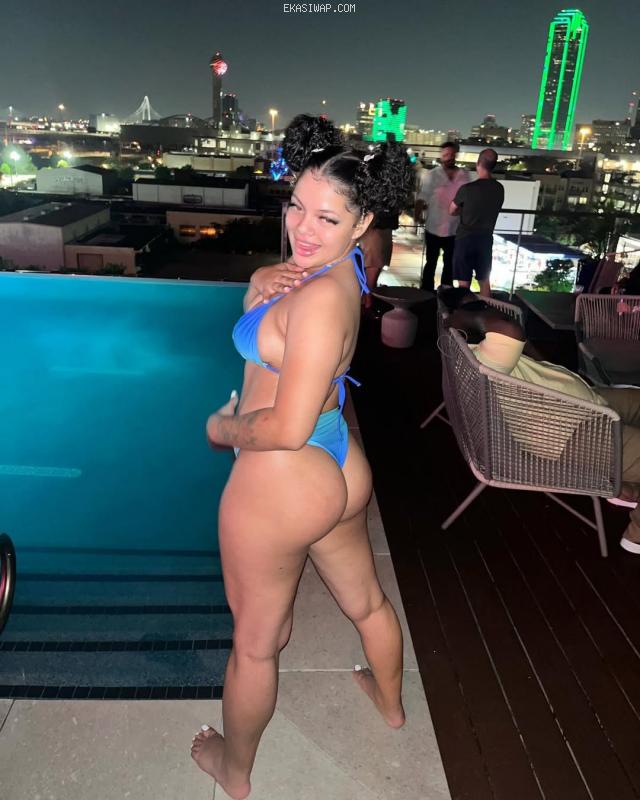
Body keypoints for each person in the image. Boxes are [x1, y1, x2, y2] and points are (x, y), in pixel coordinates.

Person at [191, 114, 413, 800]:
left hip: (286, 477)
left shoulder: (317, 299)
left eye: (327, 217)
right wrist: (265, 275)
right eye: (296, 206)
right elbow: (298, 323)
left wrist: (223, 429)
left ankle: (234, 771)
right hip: (339, 462)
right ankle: (391, 705)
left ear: (363, 220)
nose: (303, 228)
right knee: (366, 601)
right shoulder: (346, 269)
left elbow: (286, 429)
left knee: (257, 642)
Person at [440, 287, 640, 554]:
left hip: (581, 404)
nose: (488, 309)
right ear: (460, 318)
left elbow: (537, 356)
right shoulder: (485, 358)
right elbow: (509, 329)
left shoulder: (490, 349)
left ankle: (628, 487)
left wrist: (473, 315)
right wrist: (466, 316)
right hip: (571, 431)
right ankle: (635, 537)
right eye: (476, 308)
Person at [414, 141, 470, 291]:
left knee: (450, 264)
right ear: (441, 156)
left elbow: (469, 198)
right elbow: (422, 197)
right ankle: (427, 293)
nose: (449, 157)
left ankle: (446, 293)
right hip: (434, 227)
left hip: (455, 228)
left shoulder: (464, 175)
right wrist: (417, 216)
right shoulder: (433, 175)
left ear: (456, 155)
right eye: (446, 155)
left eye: (451, 154)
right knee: (430, 262)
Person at [449, 148, 504, 297]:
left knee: (463, 284)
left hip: (465, 239)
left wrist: (463, 211)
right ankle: (486, 309)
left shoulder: (467, 189)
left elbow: (451, 210)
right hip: (485, 239)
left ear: (478, 163)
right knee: (484, 281)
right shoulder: (499, 189)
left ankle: (465, 310)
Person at [359, 209, 399, 311]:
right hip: (376, 226)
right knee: (373, 266)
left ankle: (365, 305)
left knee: (374, 267)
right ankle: (367, 306)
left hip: (381, 225)